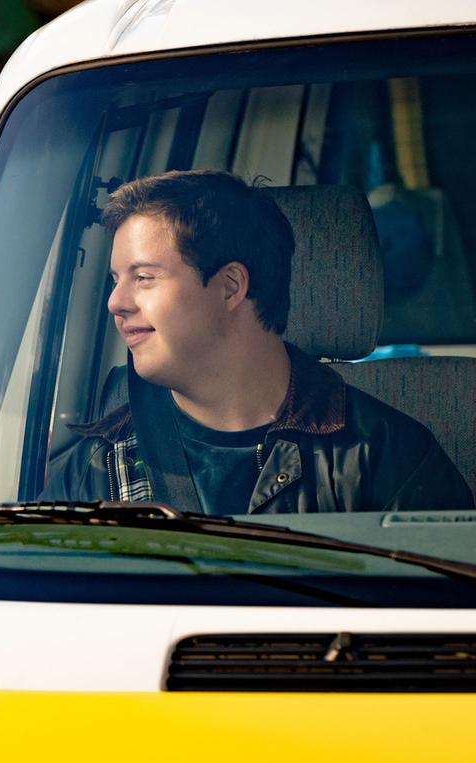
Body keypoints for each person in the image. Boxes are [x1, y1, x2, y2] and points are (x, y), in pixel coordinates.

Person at [46, 169, 471, 513]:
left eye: (144, 278)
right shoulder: (98, 468)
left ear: (230, 286)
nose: (116, 303)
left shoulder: (389, 459)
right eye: (116, 281)